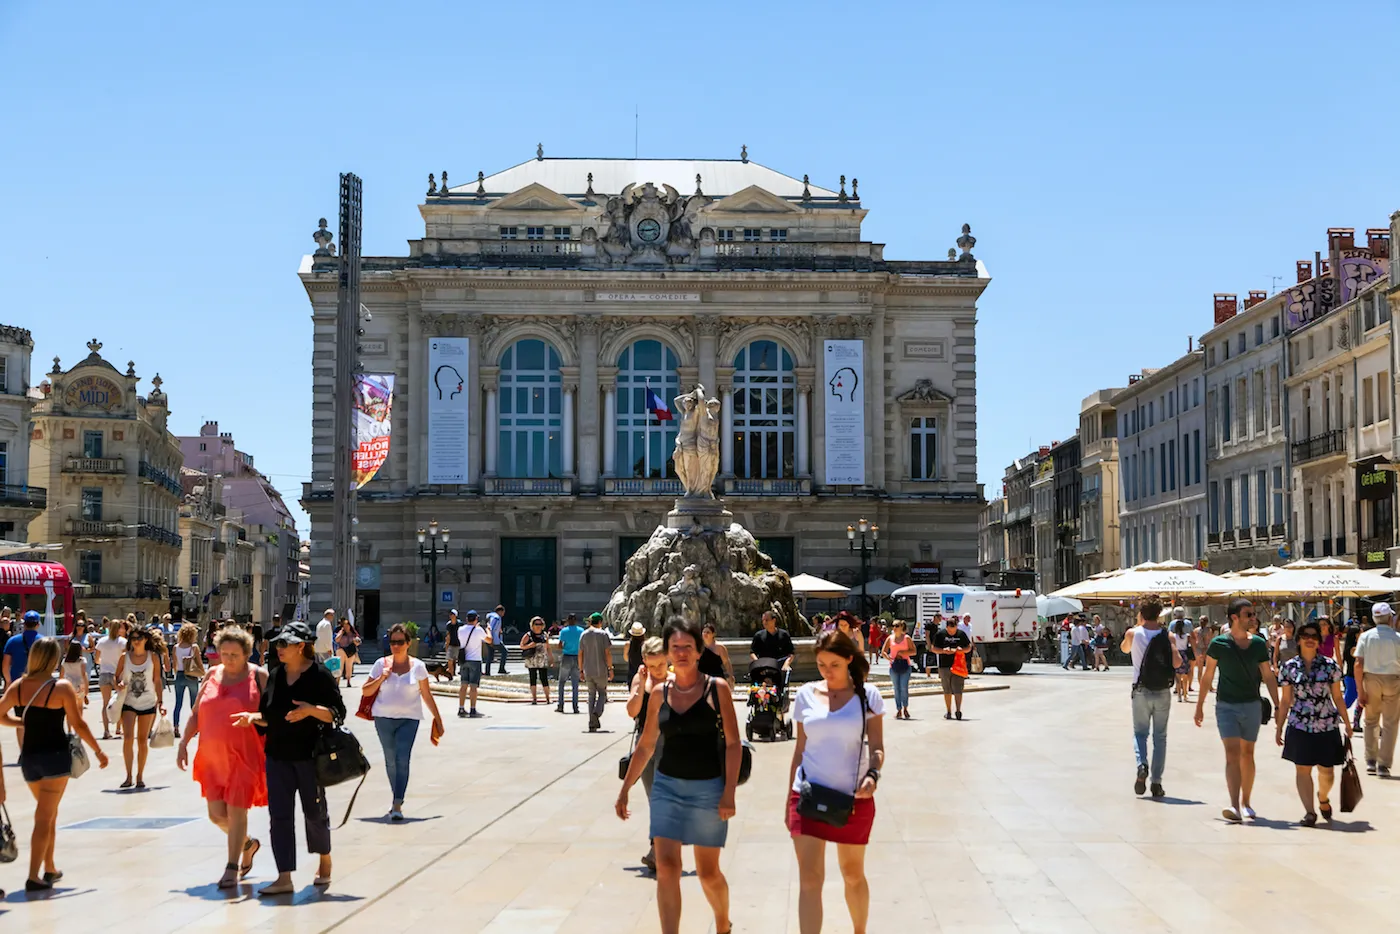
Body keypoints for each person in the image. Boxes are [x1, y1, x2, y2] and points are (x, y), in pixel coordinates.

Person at [617, 619, 740, 934]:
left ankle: (723, 924)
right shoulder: (659, 693)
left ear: (699, 651)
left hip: (707, 788)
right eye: (676, 648)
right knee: (667, 869)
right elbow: (645, 746)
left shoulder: (717, 689)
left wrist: (728, 793)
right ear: (668, 652)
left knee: (707, 872)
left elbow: (733, 744)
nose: (682, 653)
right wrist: (625, 789)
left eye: (688, 646)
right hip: (667, 787)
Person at [232, 621, 345, 896]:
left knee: (314, 813)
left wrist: (310, 710)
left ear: (301, 646)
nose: (278, 648)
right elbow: (268, 715)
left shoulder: (319, 676)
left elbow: (337, 713)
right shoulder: (276, 675)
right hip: (277, 756)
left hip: (309, 756)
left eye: (284, 644)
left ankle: (325, 859)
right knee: (279, 817)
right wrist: (252, 718)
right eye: (278, 644)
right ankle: (284, 877)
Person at [787, 630, 884, 934]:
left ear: (849, 660)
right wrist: (787, 801)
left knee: (852, 874)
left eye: (835, 665)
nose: (827, 672)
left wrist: (872, 775)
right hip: (807, 796)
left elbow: (877, 747)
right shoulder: (805, 695)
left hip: (853, 799)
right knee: (810, 881)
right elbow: (800, 749)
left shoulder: (868, 697)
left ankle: (859, 930)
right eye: (821, 665)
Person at [0, 637, 109, 891]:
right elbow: (79, 724)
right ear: (53, 659)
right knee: (44, 817)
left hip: (29, 759)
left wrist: (21, 723)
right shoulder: (61, 688)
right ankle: (33, 875)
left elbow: (0, 714)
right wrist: (99, 751)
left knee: (49, 814)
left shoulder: (18, 686)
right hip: (55, 758)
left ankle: (49, 867)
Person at [176, 625, 268, 887]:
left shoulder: (259, 677)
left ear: (247, 653)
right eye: (224, 653)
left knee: (238, 811)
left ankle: (231, 866)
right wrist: (184, 742)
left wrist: (254, 717)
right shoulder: (212, 675)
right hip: (212, 756)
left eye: (234, 655)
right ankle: (247, 844)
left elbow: (273, 713)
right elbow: (196, 713)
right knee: (216, 815)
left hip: (245, 754)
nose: (228, 659)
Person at [1195, 598, 1280, 822]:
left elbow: (1268, 675)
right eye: (1248, 614)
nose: (1253, 618)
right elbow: (1208, 676)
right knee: (1232, 753)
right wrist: (1199, 705)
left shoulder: (1259, 644)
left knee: (1247, 753)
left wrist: (1279, 705)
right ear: (1234, 618)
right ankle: (1233, 805)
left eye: (1253, 614)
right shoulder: (1219, 644)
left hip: (1251, 704)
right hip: (1226, 705)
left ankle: (1246, 803)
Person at [364, 622, 444, 821]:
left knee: (402, 758)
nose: (396, 646)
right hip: (383, 718)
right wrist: (381, 678)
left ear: (408, 643)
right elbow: (366, 691)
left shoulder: (418, 667)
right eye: (392, 642)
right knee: (391, 761)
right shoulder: (380, 664)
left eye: (400, 642)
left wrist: (438, 718)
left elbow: (426, 694)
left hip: (409, 719)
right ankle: (396, 796)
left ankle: (397, 802)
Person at [1275, 620, 1351, 826]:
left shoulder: (1329, 666)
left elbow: (1338, 697)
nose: (1309, 639)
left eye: (1314, 636)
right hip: (1299, 724)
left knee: (1327, 771)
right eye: (1305, 636)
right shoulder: (1289, 667)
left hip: (1326, 724)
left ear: (1319, 641)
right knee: (1302, 769)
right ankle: (1309, 812)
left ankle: (1323, 797)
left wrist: (1347, 722)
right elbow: (1284, 700)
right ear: (1298, 640)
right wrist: (1279, 726)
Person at [1120, 599, 1179, 797]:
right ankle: (1156, 783)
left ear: (1141, 613)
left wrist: (1137, 625)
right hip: (1162, 690)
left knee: (1140, 733)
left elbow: (1124, 649)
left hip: (1141, 690)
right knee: (1160, 737)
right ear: (1160, 613)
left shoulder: (1132, 633)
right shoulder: (1167, 635)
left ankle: (1141, 764)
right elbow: (1178, 662)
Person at [625, 636, 669, 874]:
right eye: (652, 666)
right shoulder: (640, 679)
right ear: (644, 661)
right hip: (646, 747)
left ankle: (658, 851)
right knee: (655, 799)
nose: (657, 671)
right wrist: (642, 686)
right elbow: (632, 711)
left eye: (661, 665)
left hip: (671, 747)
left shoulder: (676, 681)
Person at [114, 625, 166, 789]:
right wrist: (119, 684)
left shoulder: (153, 658)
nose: (135, 641)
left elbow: (157, 680)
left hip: (148, 701)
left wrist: (160, 701)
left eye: (138, 638)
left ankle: (140, 776)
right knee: (128, 738)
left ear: (145, 639)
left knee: (142, 740)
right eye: (133, 638)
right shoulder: (125, 657)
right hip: (129, 701)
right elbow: (116, 677)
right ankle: (128, 775)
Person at [1355, 601, 1400, 776]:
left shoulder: (1366, 637)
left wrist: (1360, 690)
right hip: (1393, 680)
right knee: (1390, 724)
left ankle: (1371, 761)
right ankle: (1383, 764)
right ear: (1390, 617)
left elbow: (1358, 664)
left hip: (1371, 679)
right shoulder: (1397, 637)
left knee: (1370, 721)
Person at [931, 614, 972, 720]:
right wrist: (943, 651)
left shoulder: (961, 634)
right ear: (947, 627)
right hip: (944, 665)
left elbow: (968, 647)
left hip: (958, 665)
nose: (952, 633)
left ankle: (958, 710)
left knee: (958, 689)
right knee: (947, 689)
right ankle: (948, 711)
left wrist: (961, 650)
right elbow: (934, 648)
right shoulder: (940, 634)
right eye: (950, 630)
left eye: (954, 630)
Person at [580, 612, 614, 732]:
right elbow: (607, 653)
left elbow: (580, 654)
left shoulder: (583, 634)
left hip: (588, 669)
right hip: (601, 669)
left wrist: (581, 670)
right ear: (600, 622)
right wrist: (610, 668)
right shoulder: (603, 634)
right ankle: (596, 713)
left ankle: (591, 722)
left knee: (591, 695)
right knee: (602, 694)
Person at [94, 617, 127, 740]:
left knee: (105, 703)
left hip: (104, 673)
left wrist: (104, 662)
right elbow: (125, 660)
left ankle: (106, 731)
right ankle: (119, 728)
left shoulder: (101, 641)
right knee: (120, 702)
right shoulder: (123, 642)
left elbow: (97, 660)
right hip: (117, 674)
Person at [455, 609, 490, 719]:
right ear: (476, 619)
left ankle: (461, 708)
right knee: (473, 686)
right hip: (475, 660)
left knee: (463, 685)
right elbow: (489, 640)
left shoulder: (460, 629)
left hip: (463, 659)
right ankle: (473, 709)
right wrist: (488, 630)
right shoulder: (479, 630)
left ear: (466, 619)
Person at [172, 622, 203, 738]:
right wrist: (202, 673)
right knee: (194, 704)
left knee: (178, 703)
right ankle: (195, 728)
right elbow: (199, 663)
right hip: (191, 676)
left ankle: (176, 727)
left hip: (180, 675)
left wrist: (178, 673)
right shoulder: (194, 647)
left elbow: (175, 664)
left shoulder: (176, 647)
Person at [750, 611, 795, 688]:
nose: (764, 622)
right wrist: (757, 662)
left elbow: (791, 653)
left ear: (774, 620)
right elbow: (752, 652)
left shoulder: (784, 635)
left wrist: (786, 664)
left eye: (767, 620)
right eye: (763, 620)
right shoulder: (758, 636)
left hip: (779, 666)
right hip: (763, 666)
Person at [881, 620, 915, 720]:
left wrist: (903, 653)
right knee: (896, 688)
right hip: (894, 666)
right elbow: (883, 651)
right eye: (893, 626)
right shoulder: (890, 638)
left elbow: (914, 651)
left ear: (901, 627)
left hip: (905, 665)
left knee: (904, 688)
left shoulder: (907, 638)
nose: (894, 628)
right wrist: (888, 658)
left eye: (897, 626)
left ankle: (905, 708)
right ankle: (899, 709)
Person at [3, 609, 42, 690]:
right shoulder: (44, 642)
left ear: (24, 624)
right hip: (38, 685)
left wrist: (9, 682)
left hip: (16, 684)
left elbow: (5, 666)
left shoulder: (12, 641)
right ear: (38, 624)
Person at [555, 612, 584, 715]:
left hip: (566, 657)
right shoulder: (581, 631)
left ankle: (561, 705)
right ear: (576, 620)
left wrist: (566, 647)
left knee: (562, 682)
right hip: (577, 658)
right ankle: (575, 707)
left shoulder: (564, 631)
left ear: (568, 620)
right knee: (575, 683)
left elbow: (559, 645)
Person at [520, 616, 553, 705]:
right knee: (532, 679)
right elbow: (521, 646)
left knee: (544, 679)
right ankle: (534, 699)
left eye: (540, 624)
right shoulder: (528, 635)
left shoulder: (545, 634)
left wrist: (551, 658)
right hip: (531, 660)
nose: (538, 626)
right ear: (532, 625)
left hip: (542, 660)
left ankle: (548, 698)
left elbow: (548, 647)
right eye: (536, 624)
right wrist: (530, 646)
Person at [1341, 620, 1362, 731]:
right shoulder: (1353, 649)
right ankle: (1334, 714)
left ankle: (1356, 723)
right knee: (1348, 701)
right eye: (1360, 633)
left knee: (1360, 702)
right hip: (1352, 678)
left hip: (1357, 678)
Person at [334, 617, 360, 688]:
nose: (346, 627)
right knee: (340, 666)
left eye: (347, 625)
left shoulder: (353, 633)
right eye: (344, 626)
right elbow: (336, 640)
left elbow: (358, 642)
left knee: (349, 666)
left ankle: (348, 681)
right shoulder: (341, 632)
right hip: (341, 650)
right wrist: (341, 633)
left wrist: (356, 641)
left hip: (350, 651)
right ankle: (338, 681)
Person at [60, 639, 87, 704]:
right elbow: (83, 674)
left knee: (69, 704)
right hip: (79, 684)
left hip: (68, 684)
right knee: (79, 705)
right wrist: (86, 687)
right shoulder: (82, 660)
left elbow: (61, 675)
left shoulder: (64, 661)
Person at [1170, 619, 1191, 702]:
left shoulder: (1173, 636)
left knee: (1177, 677)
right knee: (1185, 676)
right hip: (1184, 655)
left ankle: (1179, 696)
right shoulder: (1187, 636)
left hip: (1176, 654)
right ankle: (1185, 694)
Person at [485, 605, 508, 675]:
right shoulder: (497, 618)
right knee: (504, 652)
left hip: (488, 639)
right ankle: (501, 668)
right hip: (494, 640)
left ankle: (487, 671)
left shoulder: (491, 616)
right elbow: (491, 628)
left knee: (490, 655)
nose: (503, 614)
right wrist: (491, 640)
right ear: (500, 611)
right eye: (503, 612)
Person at [626, 621, 647, 686]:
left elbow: (626, 658)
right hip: (644, 672)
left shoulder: (628, 644)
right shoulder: (646, 645)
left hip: (632, 672)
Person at [444, 608, 461, 679]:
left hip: (458, 644)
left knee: (456, 660)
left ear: (455, 616)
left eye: (452, 614)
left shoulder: (460, 624)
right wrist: (446, 645)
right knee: (450, 660)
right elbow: (448, 635)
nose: (451, 616)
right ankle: (450, 675)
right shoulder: (448, 625)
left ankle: (454, 672)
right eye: (450, 614)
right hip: (451, 644)